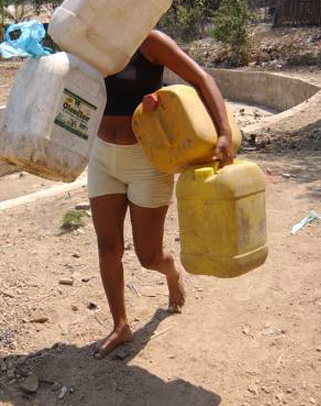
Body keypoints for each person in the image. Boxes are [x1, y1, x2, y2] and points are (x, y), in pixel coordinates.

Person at [88, 29, 235, 359]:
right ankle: (120, 325)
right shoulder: (92, 38)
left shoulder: (149, 41)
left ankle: (171, 274)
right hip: (102, 157)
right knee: (108, 247)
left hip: (149, 160)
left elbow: (201, 78)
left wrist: (224, 131)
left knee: (149, 256)